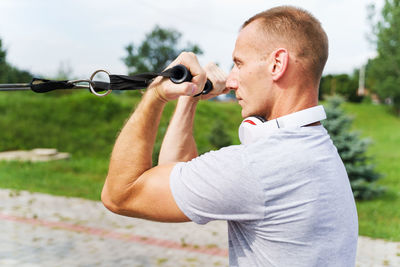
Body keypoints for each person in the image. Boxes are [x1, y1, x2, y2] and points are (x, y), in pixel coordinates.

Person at [101, 5, 358, 267]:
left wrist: (156, 94)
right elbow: (172, 170)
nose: (231, 81)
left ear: (277, 64)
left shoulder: (257, 168)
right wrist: (191, 95)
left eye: (239, 63)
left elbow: (120, 194)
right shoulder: (318, 146)